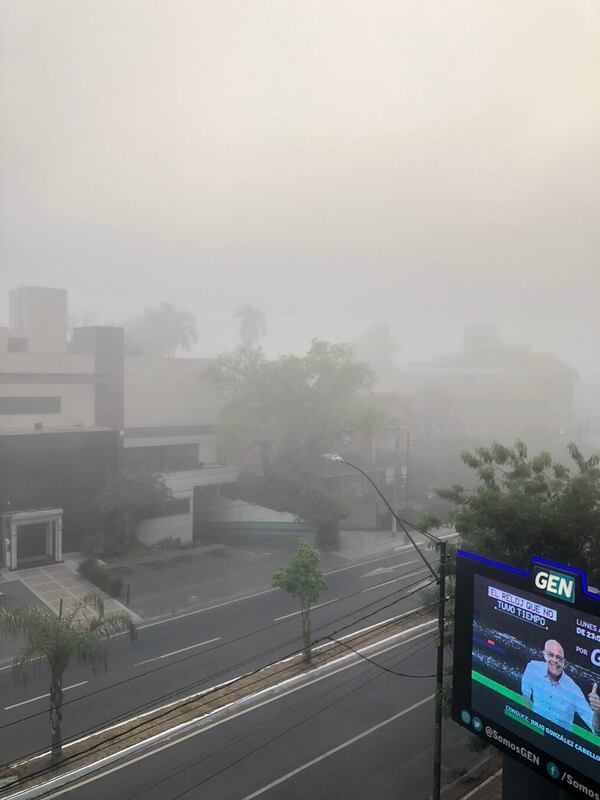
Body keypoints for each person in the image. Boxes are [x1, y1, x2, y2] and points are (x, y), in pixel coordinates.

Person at [521, 639, 600, 733]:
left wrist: (597, 711)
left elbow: (596, 729)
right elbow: (526, 694)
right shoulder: (533, 667)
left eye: (559, 658)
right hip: (535, 732)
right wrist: (527, 721)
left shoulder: (574, 690)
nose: (554, 660)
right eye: (551, 655)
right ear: (544, 655)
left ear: (564, 662)